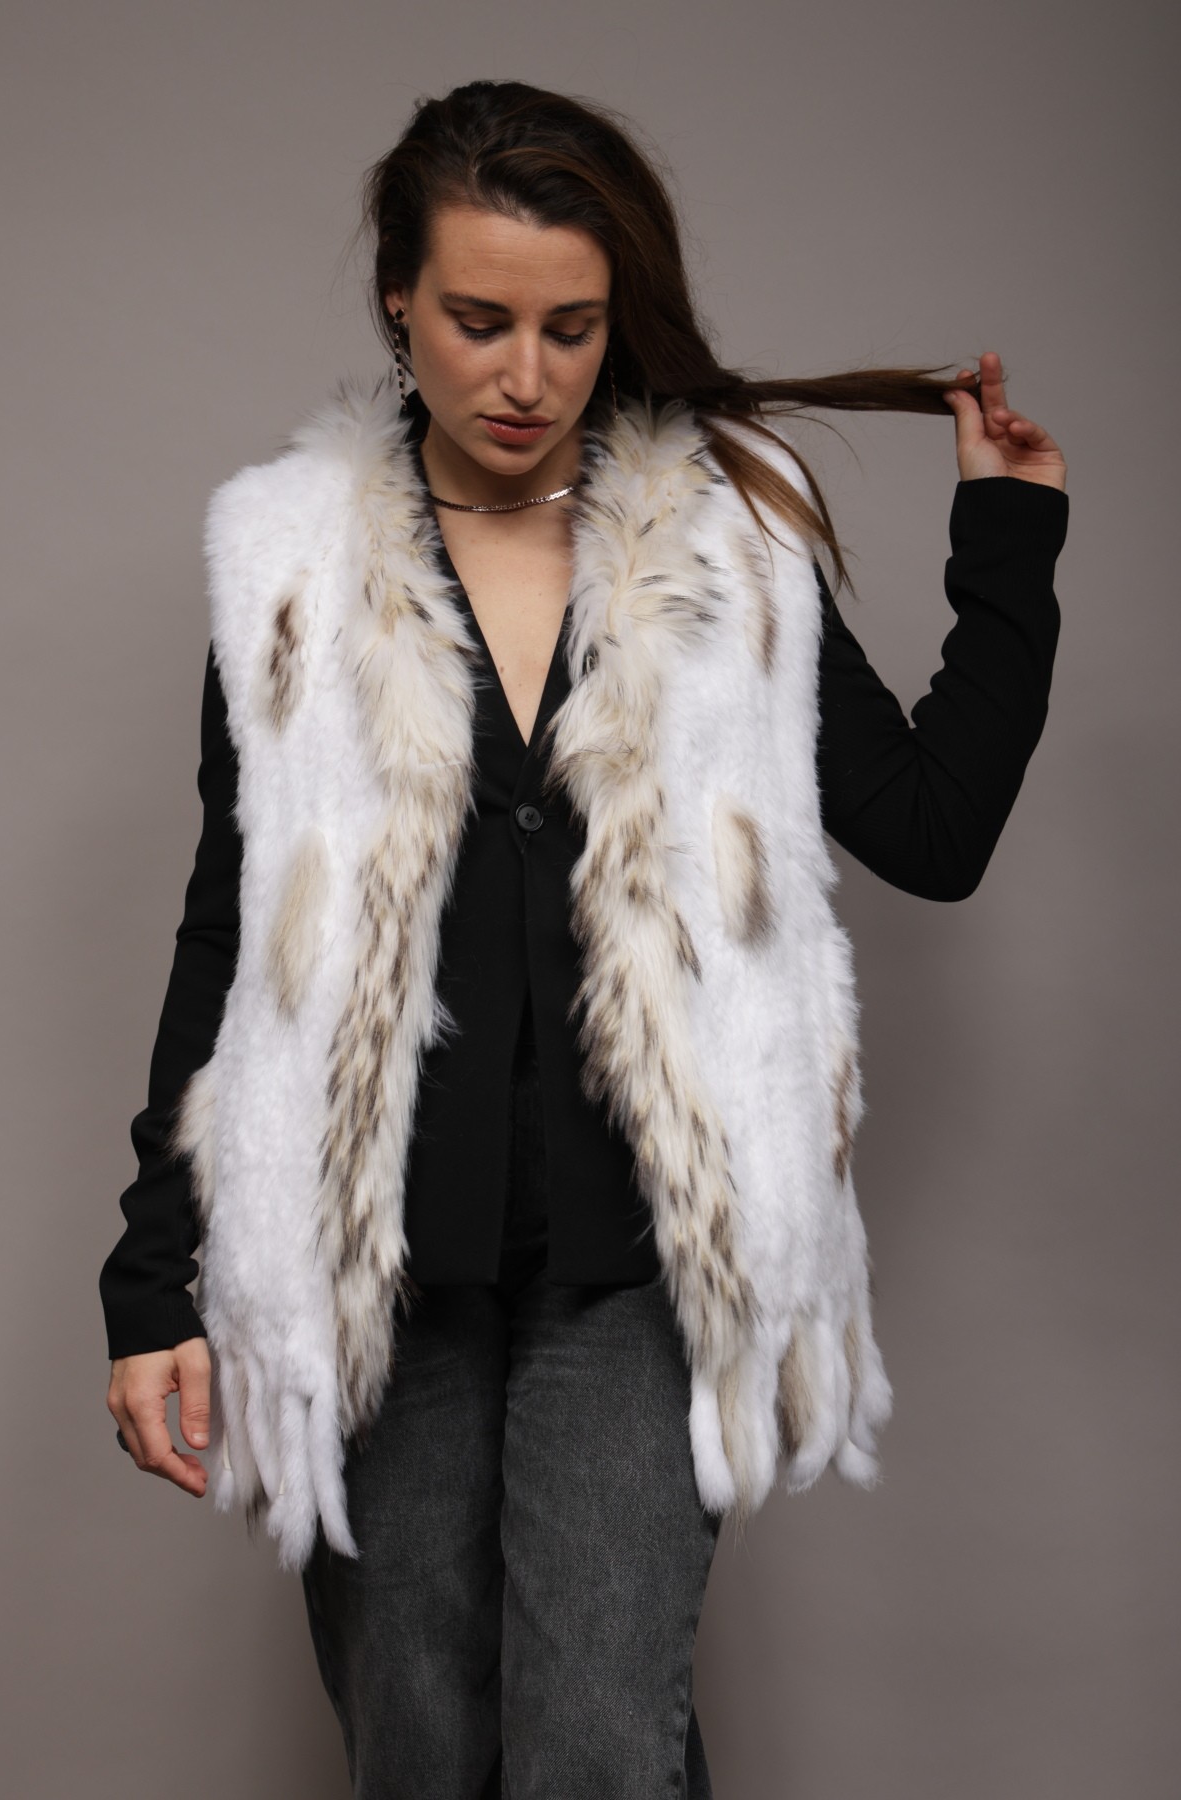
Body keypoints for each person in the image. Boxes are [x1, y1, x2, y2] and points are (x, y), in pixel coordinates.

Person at [101, 79, 1068, 1800]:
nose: (526, 377)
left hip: (639, 1255)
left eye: (572, 327)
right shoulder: (291, 562)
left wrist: (1007, 540)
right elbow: (230, 928)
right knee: (416, 1748)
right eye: (479, 321)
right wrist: (147, 1281)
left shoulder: (729, 541)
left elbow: (933, 831)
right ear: (397, 299)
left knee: (599, 1751)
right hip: (368, 1253)